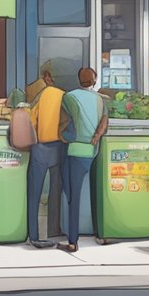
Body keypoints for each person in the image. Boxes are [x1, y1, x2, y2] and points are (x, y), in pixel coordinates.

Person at [58, 67, 107, 253]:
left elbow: (64, 125)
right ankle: (99, 233)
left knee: (73, 196)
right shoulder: (100, 99)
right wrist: (95, 138)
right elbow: (104, 121)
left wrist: (63, 137)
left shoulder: (69, 97)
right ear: (94, 81)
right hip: (93, 152)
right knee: (95, 193)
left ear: (79, 79)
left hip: (75, 150)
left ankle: (73, 241)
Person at [25, 61, 67, 248]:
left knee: (34, 193)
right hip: (58, 148)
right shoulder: (66, 97)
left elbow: (30, 120)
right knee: (56, 193)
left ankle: (33, 234)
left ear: (50, 77)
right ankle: (54, 230)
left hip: (40, 148)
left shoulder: (42, 96)